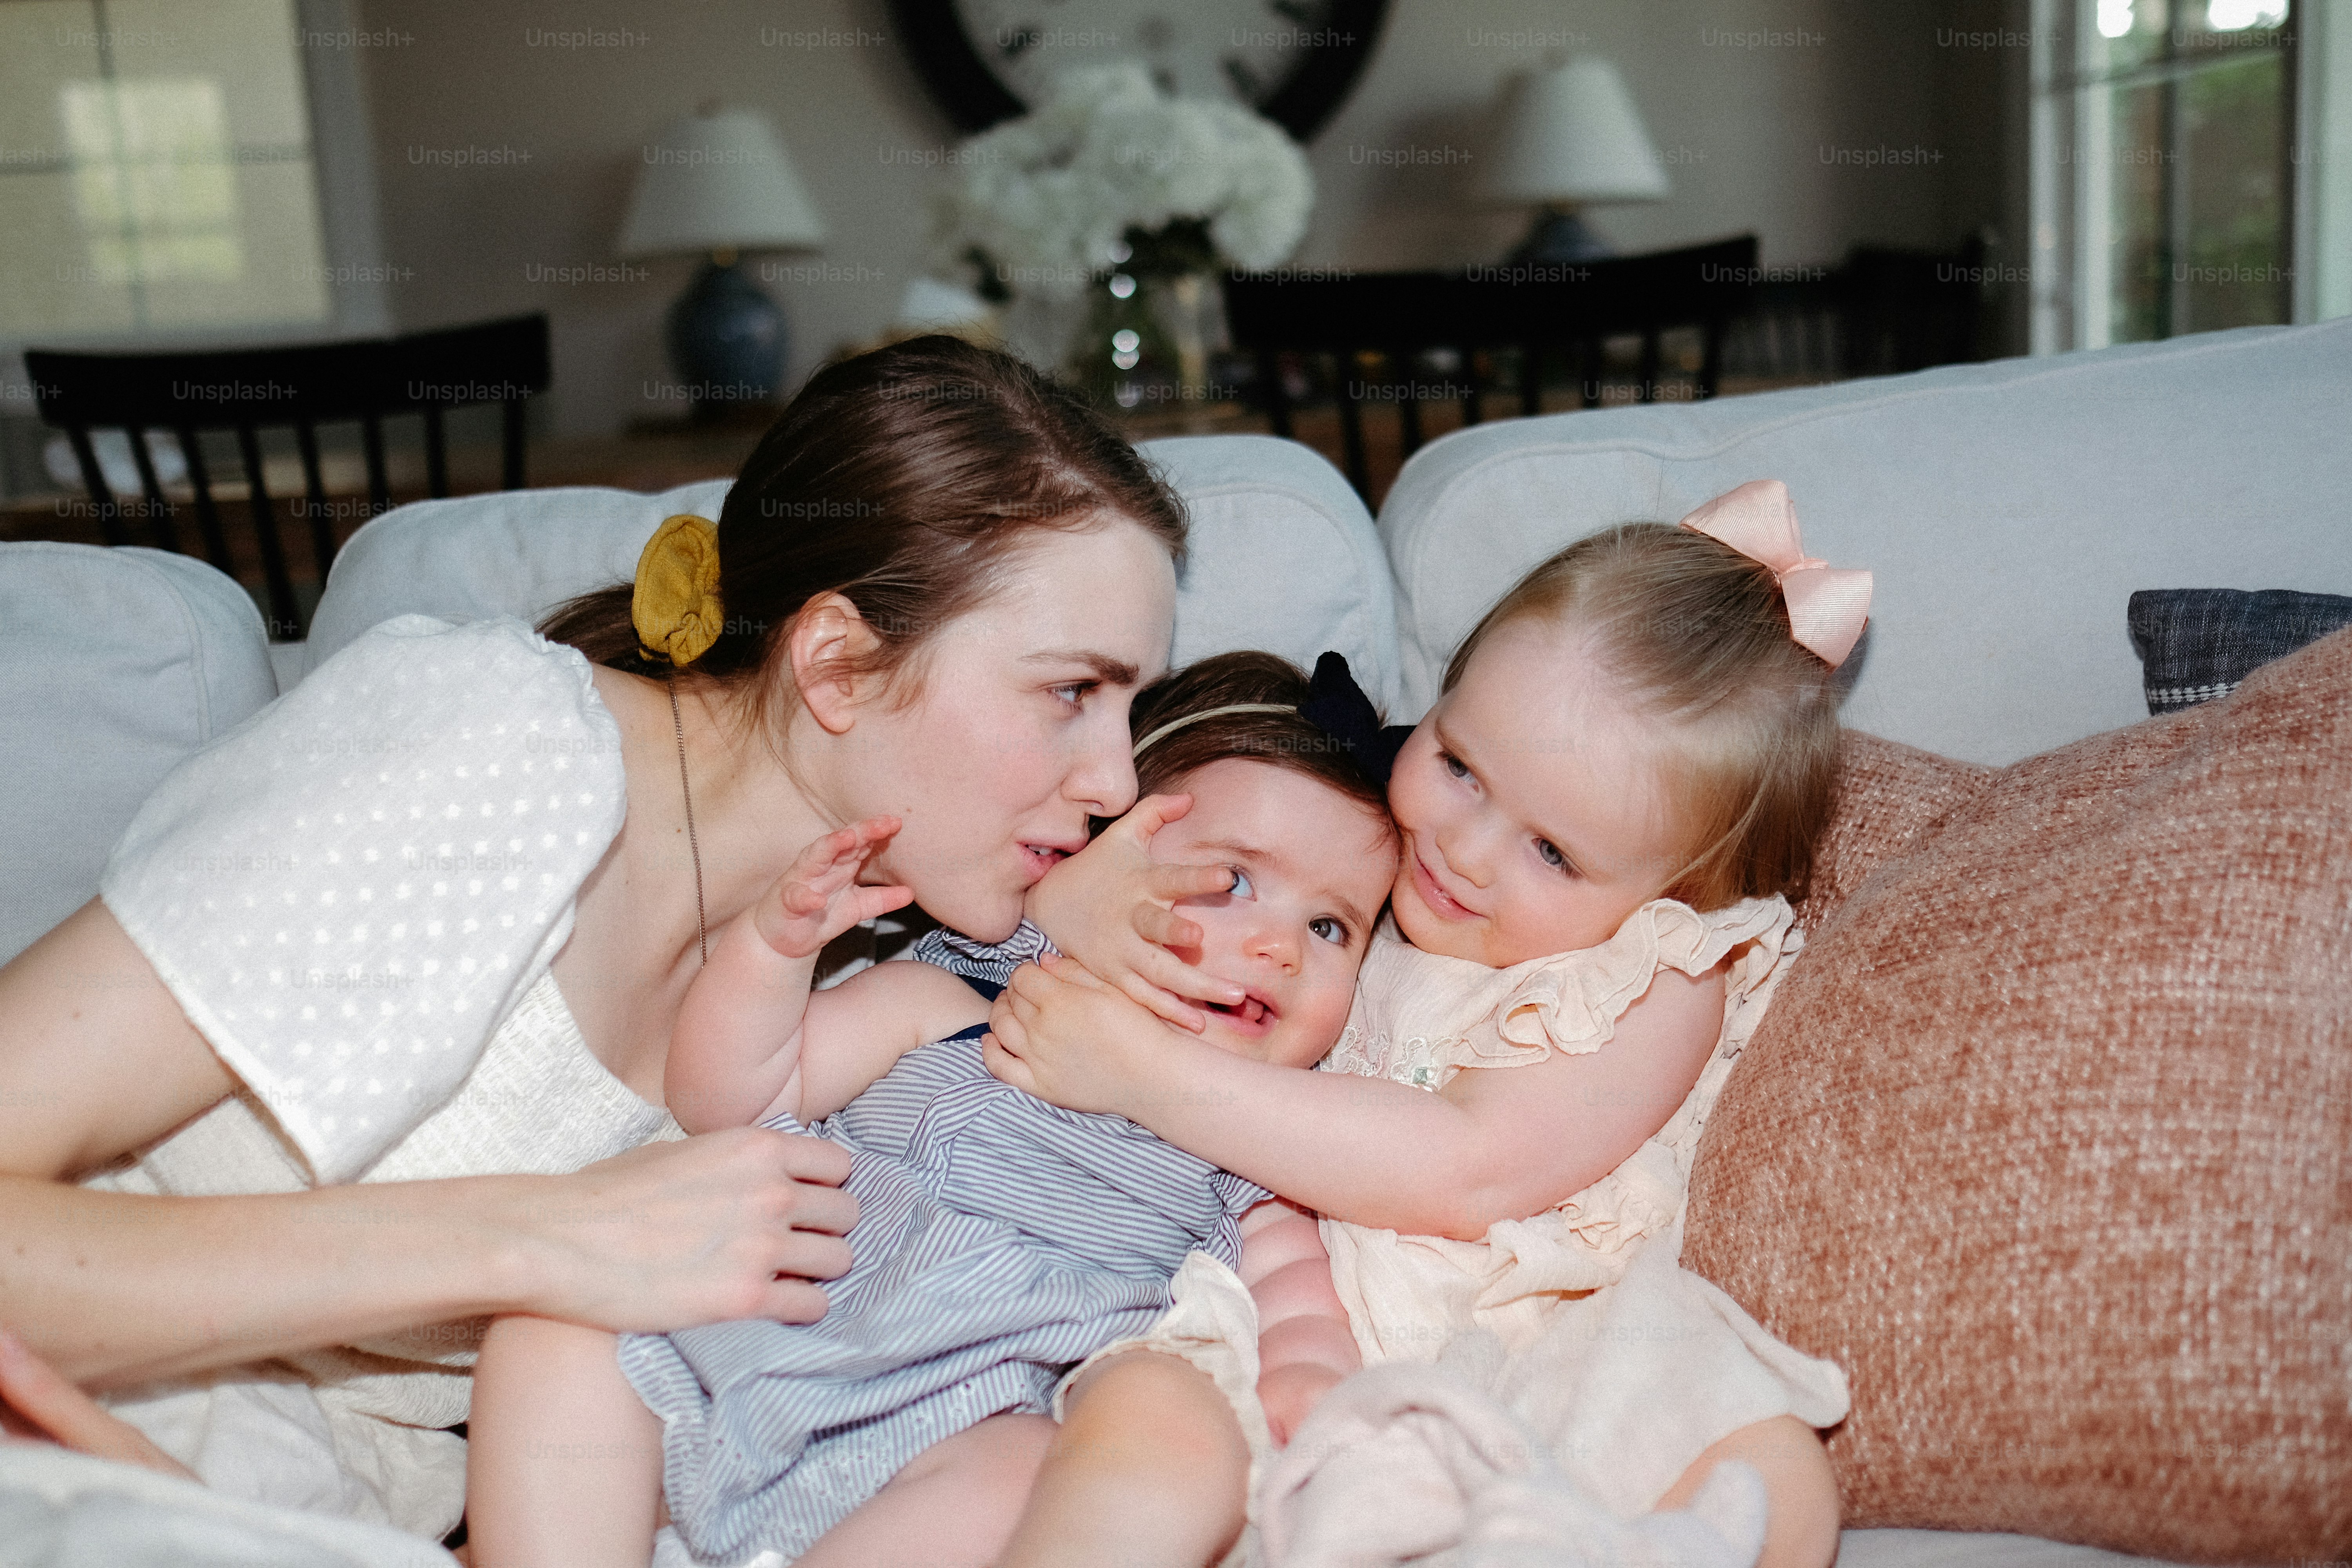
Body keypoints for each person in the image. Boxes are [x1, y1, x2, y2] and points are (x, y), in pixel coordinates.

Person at [0, 334, 1189, 1553]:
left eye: (1134, 709)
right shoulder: (493, 751)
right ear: (837, 663)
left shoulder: (845, 968)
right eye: (1071, 693)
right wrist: (545, 1236)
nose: (1114, 781)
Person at [984, 483, 1868, 1568]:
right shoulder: (1360, 875)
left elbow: (1469, 1168)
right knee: (1154, 1439)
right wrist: (1068, 907)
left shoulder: (1660, 972)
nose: (1463, 848)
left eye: (1552, 852)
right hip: (1287, 1330)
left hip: (1525, 1342)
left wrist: (1146, 1074)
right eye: (1458, 764)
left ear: (1679, 890)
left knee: (1760, 1450)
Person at [463, 652, 1402, 1568]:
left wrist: (1306, 1374)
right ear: (1096, 859)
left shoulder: (1244, 1145)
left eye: (1331, 926)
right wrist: (772, 954)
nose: (1280, 947)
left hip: (960, 1423)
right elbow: (727, 1098)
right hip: (738, 1327)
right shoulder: (952, 1001)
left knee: (1026, 1475)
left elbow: (1294, 1293)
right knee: (559, 1322)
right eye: (1232, 880)